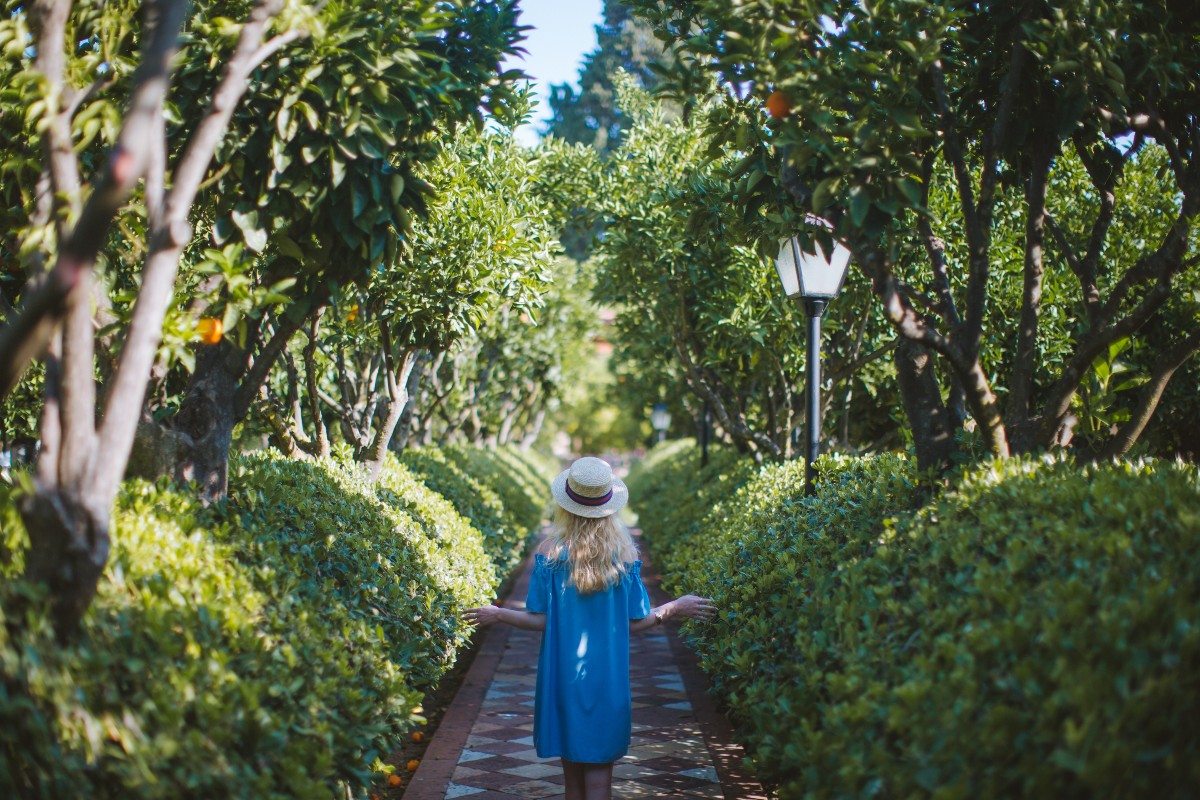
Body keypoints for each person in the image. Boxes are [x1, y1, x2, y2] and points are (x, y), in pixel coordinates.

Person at [464, 456, 716, 800]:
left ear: (566, 504)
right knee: (600, 780)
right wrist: (675, 607)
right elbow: (637, 622)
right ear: (608, 505)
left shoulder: (550, 553)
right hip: (607, 682)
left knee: (572, 783)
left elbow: (539, 619)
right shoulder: (624, 555)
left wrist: (499, 614)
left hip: (562, 678)